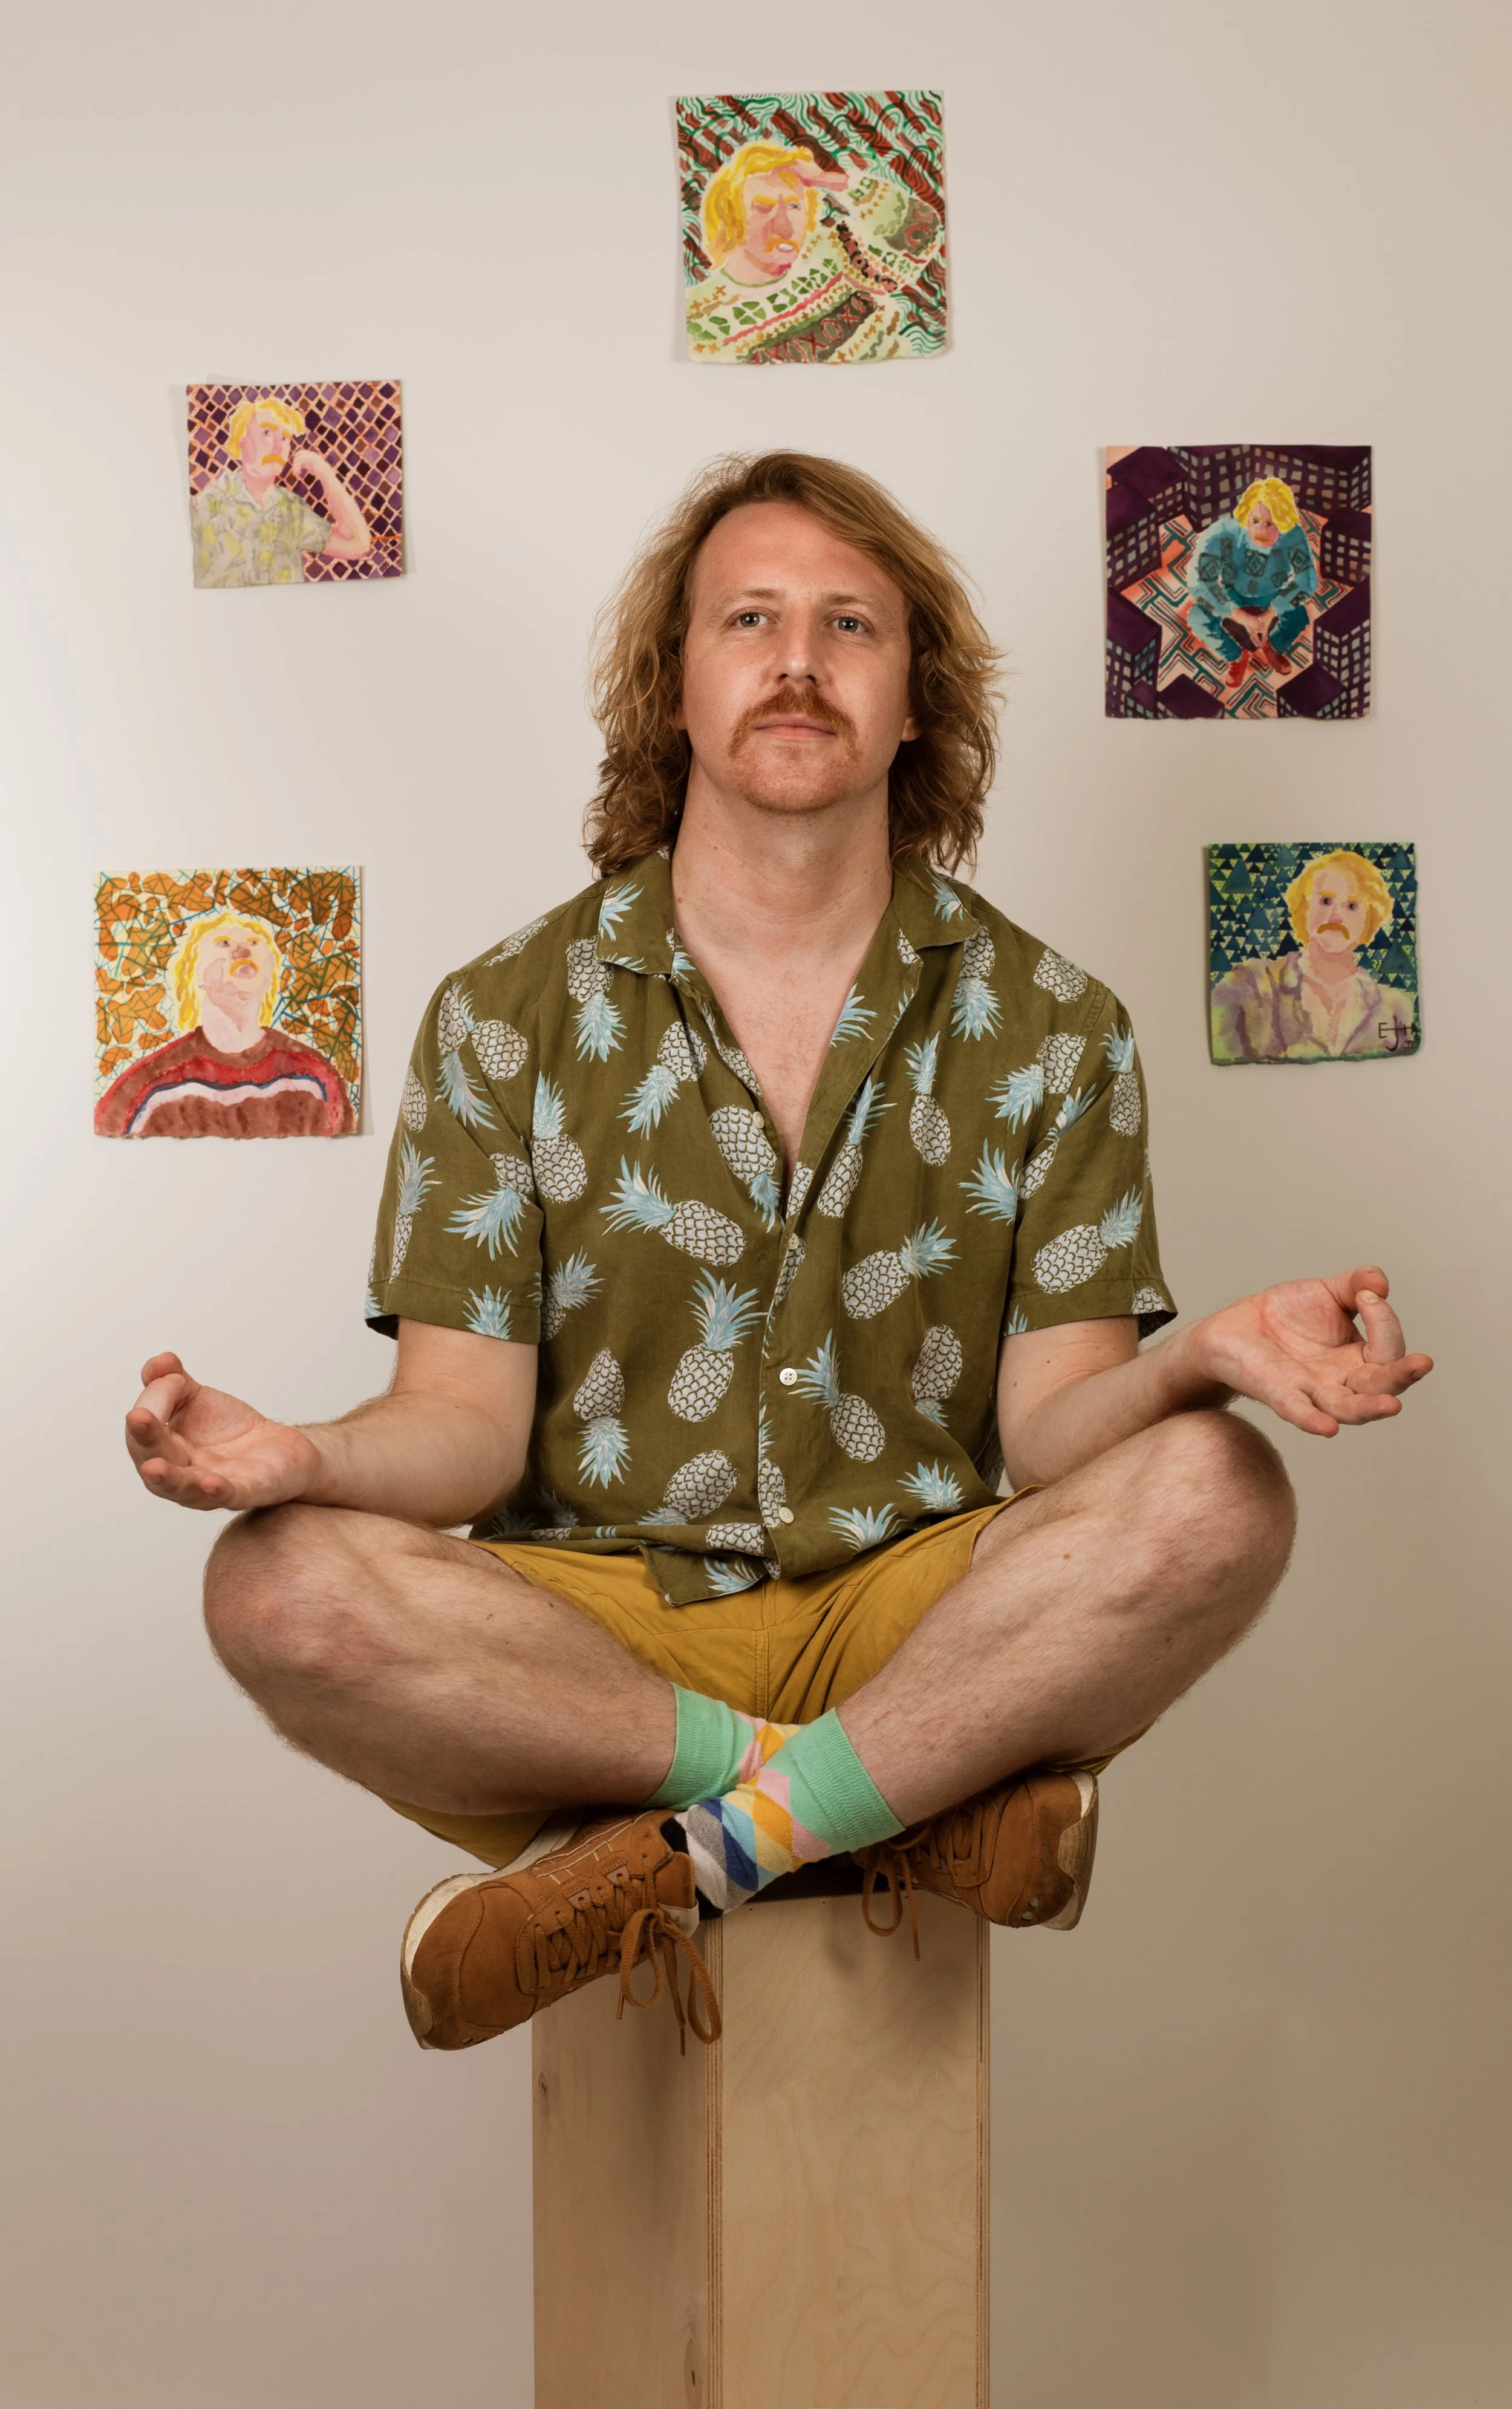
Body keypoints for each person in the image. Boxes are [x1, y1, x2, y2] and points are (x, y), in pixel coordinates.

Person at [125, 452, 1430, 2056]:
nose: (797, 658)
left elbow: (1054, 1434)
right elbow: (462, 1426)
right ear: (674, 687)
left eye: (849, 624)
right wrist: (302, 1449)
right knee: (275, 1577)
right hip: (597, 1628)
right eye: (747, 617)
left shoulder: (1056, 1026)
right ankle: (883, 1801)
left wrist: (1198, 1359)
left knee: (1223, 1486)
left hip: (915, 1601)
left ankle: (723, 1838)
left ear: (911, 706)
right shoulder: (502, 1015)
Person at [96, 908, 356, 1136]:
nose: (242, 952)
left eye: (255, 943)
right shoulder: (147, 1090)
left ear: (270, 973)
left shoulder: (314, 1077)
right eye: (223, 943)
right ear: (191, 971)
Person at [685, 141, 943, 364]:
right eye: (763, 208)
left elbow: (922, 234)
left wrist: (833, 182)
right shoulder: (701, 315)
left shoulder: (834, 252)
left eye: (795, 206)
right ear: (729, 218)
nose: (785, 227)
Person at [1211, 849, 1418, 1063]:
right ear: (1304, 908)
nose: (1337, 916)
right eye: (1326, 901)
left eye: (1352, 906)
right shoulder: (1251, 984)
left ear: (1369, 921)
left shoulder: (1395, 1007)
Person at [191, 396, 371, 587]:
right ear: (240, 441)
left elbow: (358, 545)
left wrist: (325, 473)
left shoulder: (291, 509)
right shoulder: (207, 506)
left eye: (285, 438)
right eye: (267, 432)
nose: (278, 447)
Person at [1187, 476, 1318, 689]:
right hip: (1233, 593)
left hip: (1273, 595)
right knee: (1197, 616)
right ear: (1245, 516)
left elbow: (1308, 580)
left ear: (1283, 523)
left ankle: (1272, 647)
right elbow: (1198, 582)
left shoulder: (1293, 535)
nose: (1261, 532)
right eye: (1255, 521)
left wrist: (1272, 612)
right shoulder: (1222, 532)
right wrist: (1238, 615)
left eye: (1270, 524)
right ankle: (1236, 657)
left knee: (1300, 616)